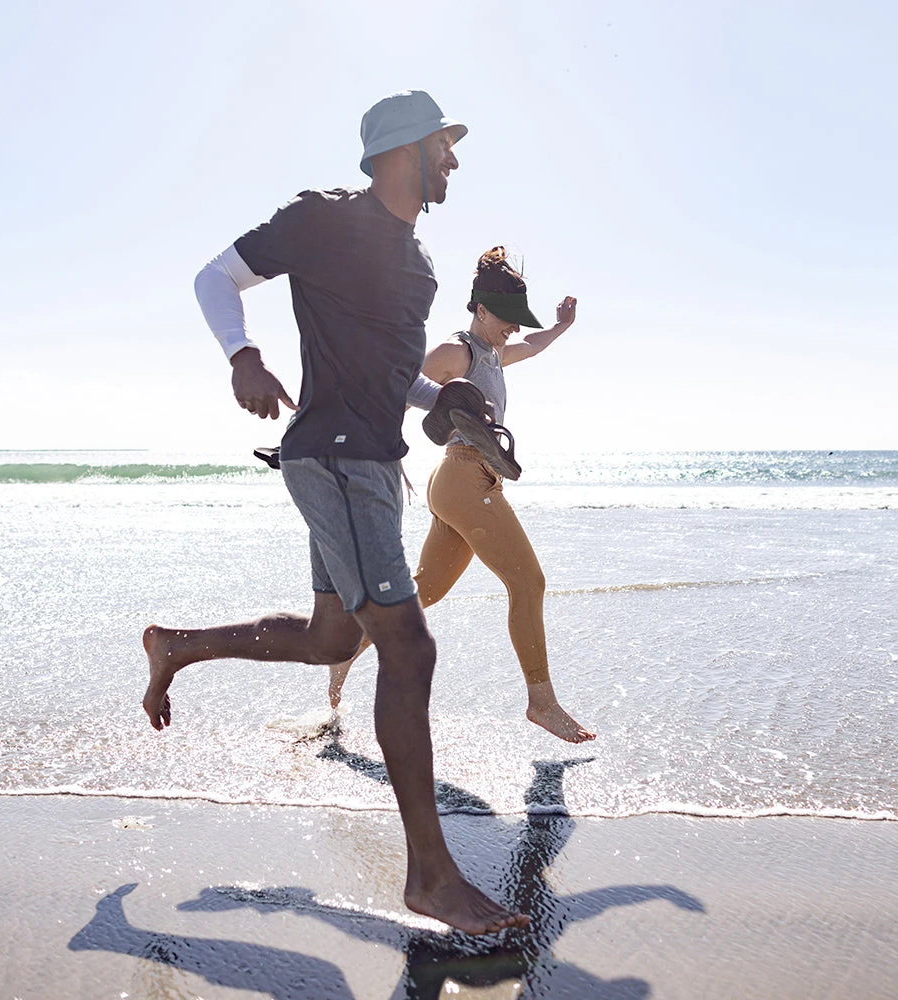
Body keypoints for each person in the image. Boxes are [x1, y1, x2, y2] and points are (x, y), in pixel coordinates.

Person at [141, 91, 529, 935]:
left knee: (332, 640)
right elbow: (215, 276)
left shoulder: (419, 266)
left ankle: (177, 647)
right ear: (402, 151)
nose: (454, 160)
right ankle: (431, 877)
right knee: (408, 647)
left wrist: (447, 397)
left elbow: (395, 378)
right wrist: (242, 355)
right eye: (443, 145)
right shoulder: (323, 218)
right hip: (333, 458)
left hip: (375, 464)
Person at [328, 247, 596, 745]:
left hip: (468, 481)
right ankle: (541, 701)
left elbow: (531, 345)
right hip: (463, 477)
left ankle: (347, 647)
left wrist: (561, 327)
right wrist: (380, 447)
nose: (513, 328)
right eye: (507, 318)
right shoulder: (459, 351)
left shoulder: (493, 354)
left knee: (424, 590)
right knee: (528, 582)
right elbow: (400, 385)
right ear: (481, 309)